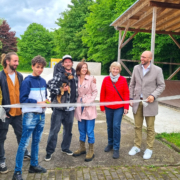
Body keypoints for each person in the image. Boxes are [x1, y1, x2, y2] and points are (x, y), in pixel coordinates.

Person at [12, 55, 48, 180]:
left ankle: (34, 165)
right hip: (30, 116)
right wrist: (38, 103)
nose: (40, 69)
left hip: (41, 116)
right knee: (24, 143)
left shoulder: (43, 81)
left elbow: (44, 98)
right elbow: (22, 100)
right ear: (32, 66)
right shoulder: (27, 81)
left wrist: (46, 102)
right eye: (38, 67)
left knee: (36, 142)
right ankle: (17, 172)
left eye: (42, 67)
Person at [128, 51, 165, 160]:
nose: (142, 58)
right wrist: (130, 98)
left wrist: (153, 95)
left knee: (150, 128)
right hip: (137, 102)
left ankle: (149, 148)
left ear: (150, 58)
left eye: (144, 57)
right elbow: (132, 84)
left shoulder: (157, 70)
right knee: (137, 126)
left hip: (150, 103)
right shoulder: (136, 68)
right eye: (141, 56)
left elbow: (161, 85)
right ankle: (137, 146)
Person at [0, 53, 30, 174]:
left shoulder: (19, 76)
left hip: (18, 113)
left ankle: (24, 153)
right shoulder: (0, 76)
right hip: (4, 114)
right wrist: (2, 111)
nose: (17, 63)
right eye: (15, 61)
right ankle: (1, 161)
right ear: (7, 61)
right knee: (1, 138)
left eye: (17, 61)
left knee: (21, 134)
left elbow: (22, 93)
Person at [44, 55, 79, 161]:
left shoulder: (75, 75)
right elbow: (49, 86)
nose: (68, 63)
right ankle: (49, 152)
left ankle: (65, 148)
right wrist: (61, 90)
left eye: (70, 62)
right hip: (59, 108)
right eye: (66, 62)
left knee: (68, 131)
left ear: (72, 63)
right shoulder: (59, 74)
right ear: (63, 64)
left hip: (70, 108)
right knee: (54, 131)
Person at [100, 62, 129, 159]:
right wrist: (102, 106)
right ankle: (110, 144)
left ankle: (116, 148)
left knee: (116, 126)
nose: (115, 70)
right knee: (109, 126)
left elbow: (126, 93)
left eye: (117, 69)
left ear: (119, 70)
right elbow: (102, 93)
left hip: (119, 107)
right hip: (108, 107)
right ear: (110, 69)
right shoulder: (106, 79)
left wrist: (126, 107)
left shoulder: (123, 80)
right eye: (113, 68)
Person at [73, 62, 98, 162]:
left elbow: (95, 92)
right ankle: (82, 148)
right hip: (79, 106)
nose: (84, 69)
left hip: (89, 106)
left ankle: (91, 150)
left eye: (85, 67)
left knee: (89, 130)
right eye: (82, 67)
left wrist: (88, 101)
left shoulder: (91, 79)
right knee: (81, 129)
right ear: (78, 69)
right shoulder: (76, 79)